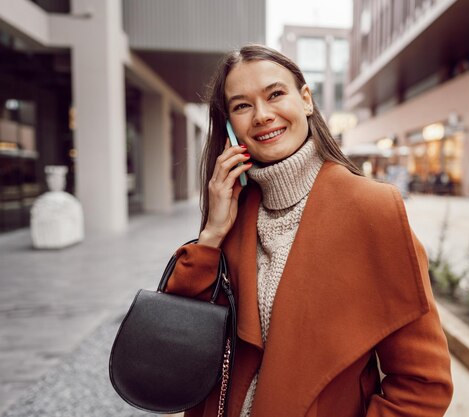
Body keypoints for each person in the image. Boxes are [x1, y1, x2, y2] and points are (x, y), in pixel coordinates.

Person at [165, 44, 453, 417]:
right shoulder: (233, 210)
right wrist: (212, 236)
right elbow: (180, 339)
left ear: (305, 100)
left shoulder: (372, 208)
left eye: (275, 94)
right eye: (242, 106)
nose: (262, 115)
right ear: (229, 127)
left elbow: (423, 383)